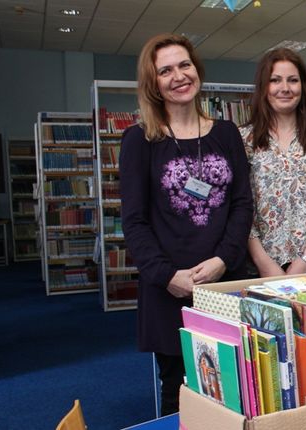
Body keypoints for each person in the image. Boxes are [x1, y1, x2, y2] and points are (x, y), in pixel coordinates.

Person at [120, 33, 253, 415]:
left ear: (197, 70)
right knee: (179, 390)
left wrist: (224, 260)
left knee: (235, 388)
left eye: (184, 65)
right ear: (153, 82)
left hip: (225, 283)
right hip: (169, 289)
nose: (178, 76)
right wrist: (166, 275)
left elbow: (243, 204)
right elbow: (134, 220)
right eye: (165, 70)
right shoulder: (139, 140)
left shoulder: (226, 133)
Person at [241, 48, 306, 276]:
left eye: (293, 80)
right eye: (275, 80)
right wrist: (262, 261)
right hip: (258, 265)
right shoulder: (243, 139)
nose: (285, 88)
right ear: (264, 86)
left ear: (302, 87)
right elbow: (241, 206)